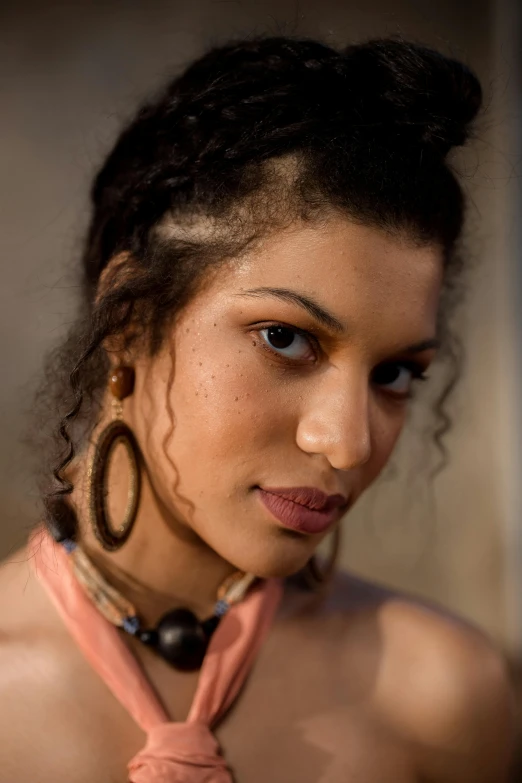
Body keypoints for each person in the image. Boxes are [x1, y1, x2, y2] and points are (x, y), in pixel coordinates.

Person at [0, 34, 515, 783]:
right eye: (286, 338)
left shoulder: (441, 697)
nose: (345, 443)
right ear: (129, 320)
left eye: (396, 373)